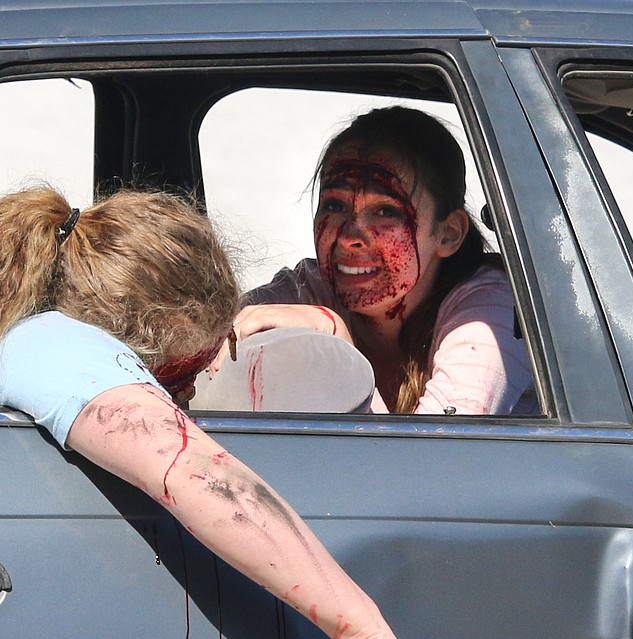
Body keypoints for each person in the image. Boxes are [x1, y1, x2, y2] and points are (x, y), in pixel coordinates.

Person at [0, 186, 436, 639]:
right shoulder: (59, 348)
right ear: (141, 347)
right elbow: (194, 470)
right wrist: (358, 627)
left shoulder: (17, 338)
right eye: (190, 373)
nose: (192, 397)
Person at [227, 106, 536, 416]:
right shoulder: (307, 292)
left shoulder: (491, 310)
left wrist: (335, 343)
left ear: (448, 234)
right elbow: (201, 346)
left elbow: (430, 459)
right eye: (335, 205)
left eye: (386, 211)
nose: (350, 236)